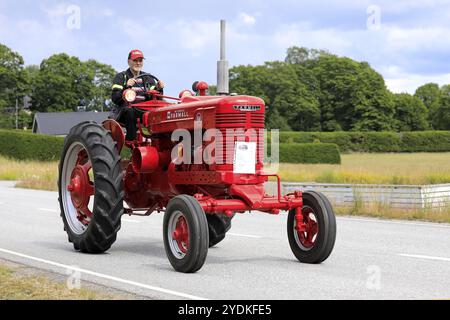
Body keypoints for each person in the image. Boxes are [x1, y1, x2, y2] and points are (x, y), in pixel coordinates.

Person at [110, 49, 164, 141]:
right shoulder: (121, 77)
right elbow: (115, 98)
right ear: (129, 62)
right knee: (129, 111)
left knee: (161, 112)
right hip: (124, 111)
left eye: (140, 60)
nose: (138, 63)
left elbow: (155, 98)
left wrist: (159, 88)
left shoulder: (148, 78)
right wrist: (126, 86)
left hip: (143, 111)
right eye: (135, 60)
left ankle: (159, 142)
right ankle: (131, 140)